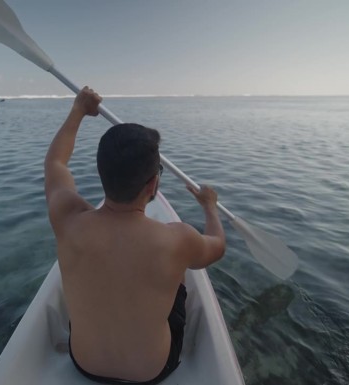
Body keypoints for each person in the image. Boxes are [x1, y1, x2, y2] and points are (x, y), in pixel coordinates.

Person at [44, 86, 226, 384]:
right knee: (178, 274)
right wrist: (210, 208)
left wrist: (78, 109)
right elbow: (217, 247)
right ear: (153, 184)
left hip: (84, 364)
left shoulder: (67, 218)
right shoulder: (178, 239)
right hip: (152, 372)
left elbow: (55, 163)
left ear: (102, 173)